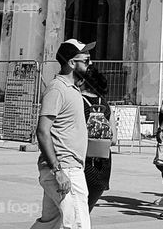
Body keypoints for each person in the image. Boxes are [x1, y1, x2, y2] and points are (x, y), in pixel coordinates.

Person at [36, 39, 94, 229]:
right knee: (78, 224)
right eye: (85, 60)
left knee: (50, 224)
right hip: (64, 169)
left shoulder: (72, 89)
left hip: (68, 167)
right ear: (71, 63)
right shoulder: (57, 89)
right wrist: (58, 170)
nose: (90, 63)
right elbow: (43, 131)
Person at [79, 64, 113, 211]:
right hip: (102, 162)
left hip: (81, 160)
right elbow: (114, 139)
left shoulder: (77, 101)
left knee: (75, 211)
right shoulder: (105, 105)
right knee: (87, 210)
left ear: (82, 81)